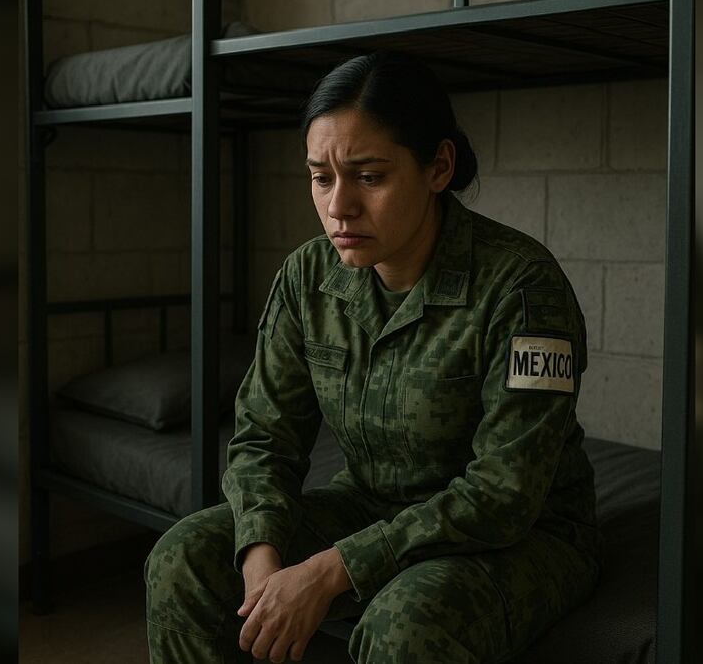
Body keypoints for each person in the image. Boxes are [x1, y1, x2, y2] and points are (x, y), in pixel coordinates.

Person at [145, 50, 602, 664]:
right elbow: (264, 438)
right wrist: (262, 564)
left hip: (522, 535)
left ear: (438, 166)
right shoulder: (308, 277)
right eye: (320, 177)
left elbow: (503, 494)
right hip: (369, 505)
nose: (339, 207)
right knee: (182, 558)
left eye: (369, 176)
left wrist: (332, 570)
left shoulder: (521, 288)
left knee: (405, 624)